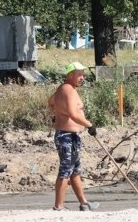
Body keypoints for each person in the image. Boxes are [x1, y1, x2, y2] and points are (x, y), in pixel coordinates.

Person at [47, 62, 100, 211]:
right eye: (79, 75)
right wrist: (89, 125)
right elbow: (73, 113)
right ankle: (58, 206)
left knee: (75, 170)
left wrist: (57, 113)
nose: (82, 77)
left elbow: (51, 102)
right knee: (65, 170)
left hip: (72, 135)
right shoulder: (67, 90)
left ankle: (84, 203)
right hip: (66, 136)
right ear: (70, 75)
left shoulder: (66, 89)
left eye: (83, 74)